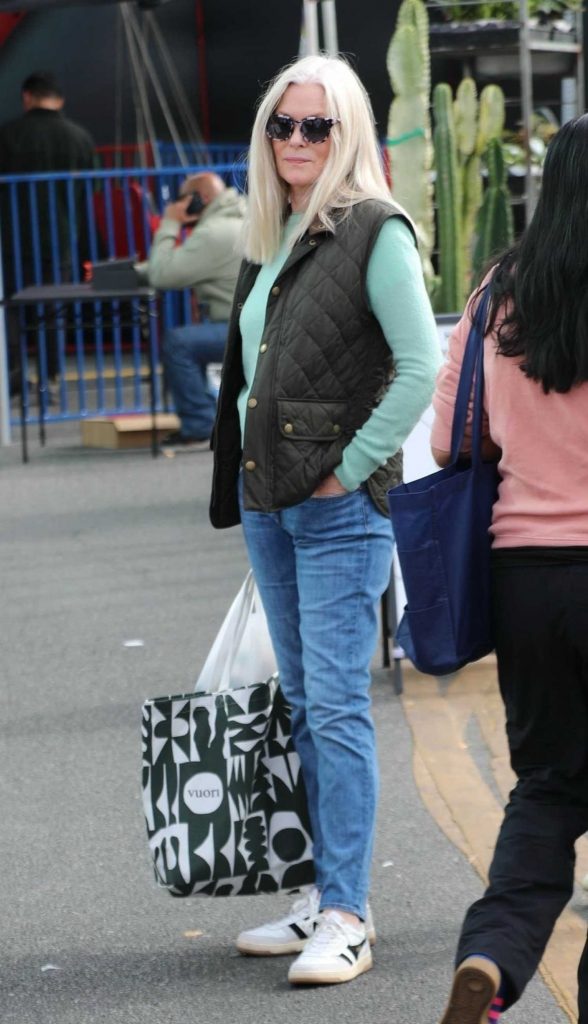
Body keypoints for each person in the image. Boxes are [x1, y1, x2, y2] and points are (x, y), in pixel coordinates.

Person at [209, 54, 441, 986]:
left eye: (318, 126)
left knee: (338, 709)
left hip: (340, 511)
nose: (297, 141)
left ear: (349, 135)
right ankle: (321, 893)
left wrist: (347, 472)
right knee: (303, 705)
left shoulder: (374, 229)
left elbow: (420, 365)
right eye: (283, 125)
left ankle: (346, 912)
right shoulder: (274, 231)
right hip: (274, 506)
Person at [430, 114, 588, 1024]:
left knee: (550, 784)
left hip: (525, 577)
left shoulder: (498, 295)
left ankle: (491, 958)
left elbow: (456, 436)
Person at [0, 71, 95, 391]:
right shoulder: (80, 137)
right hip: (61, 241)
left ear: (27, 96)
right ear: (60, 99)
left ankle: (13, 375)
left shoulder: (8, 135)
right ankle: (51, 376)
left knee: (10, 309)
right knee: (54, 310)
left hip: (13, 239)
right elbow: (90, 188)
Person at [147, 172, 246, 450]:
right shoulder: (240, 217)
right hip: (259, 323)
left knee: (179, 343)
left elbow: (163, 275)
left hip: (240, 329)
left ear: (198, 199)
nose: (177, 205)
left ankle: (199, 423)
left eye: (181, 199)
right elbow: (185, 263)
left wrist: (170, 223)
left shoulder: (212, 232)